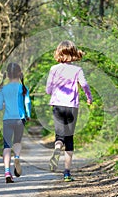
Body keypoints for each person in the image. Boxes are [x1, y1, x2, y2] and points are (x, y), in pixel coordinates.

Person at [46, 40, 92, 182]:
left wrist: (51, 92)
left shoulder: (54, 69)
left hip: (57, 106)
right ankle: (67, 173)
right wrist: (89, 97)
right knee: (69, 138)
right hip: (72, 106)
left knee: (60, 135)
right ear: (73, 54)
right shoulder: (77, 70)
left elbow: (48, 88)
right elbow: (84, 84)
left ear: (59, 53)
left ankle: (57, 148)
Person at [0, 62, 31, 183]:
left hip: (7, 120)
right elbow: (27, 103)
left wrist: (5, 104)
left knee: (7, 146)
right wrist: (28, 115)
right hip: (20, 119)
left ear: (8, 75)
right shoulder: (23, 88)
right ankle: (17, 157)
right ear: (19, 74)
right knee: (17, 142)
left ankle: (6, 172)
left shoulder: (3, 89)